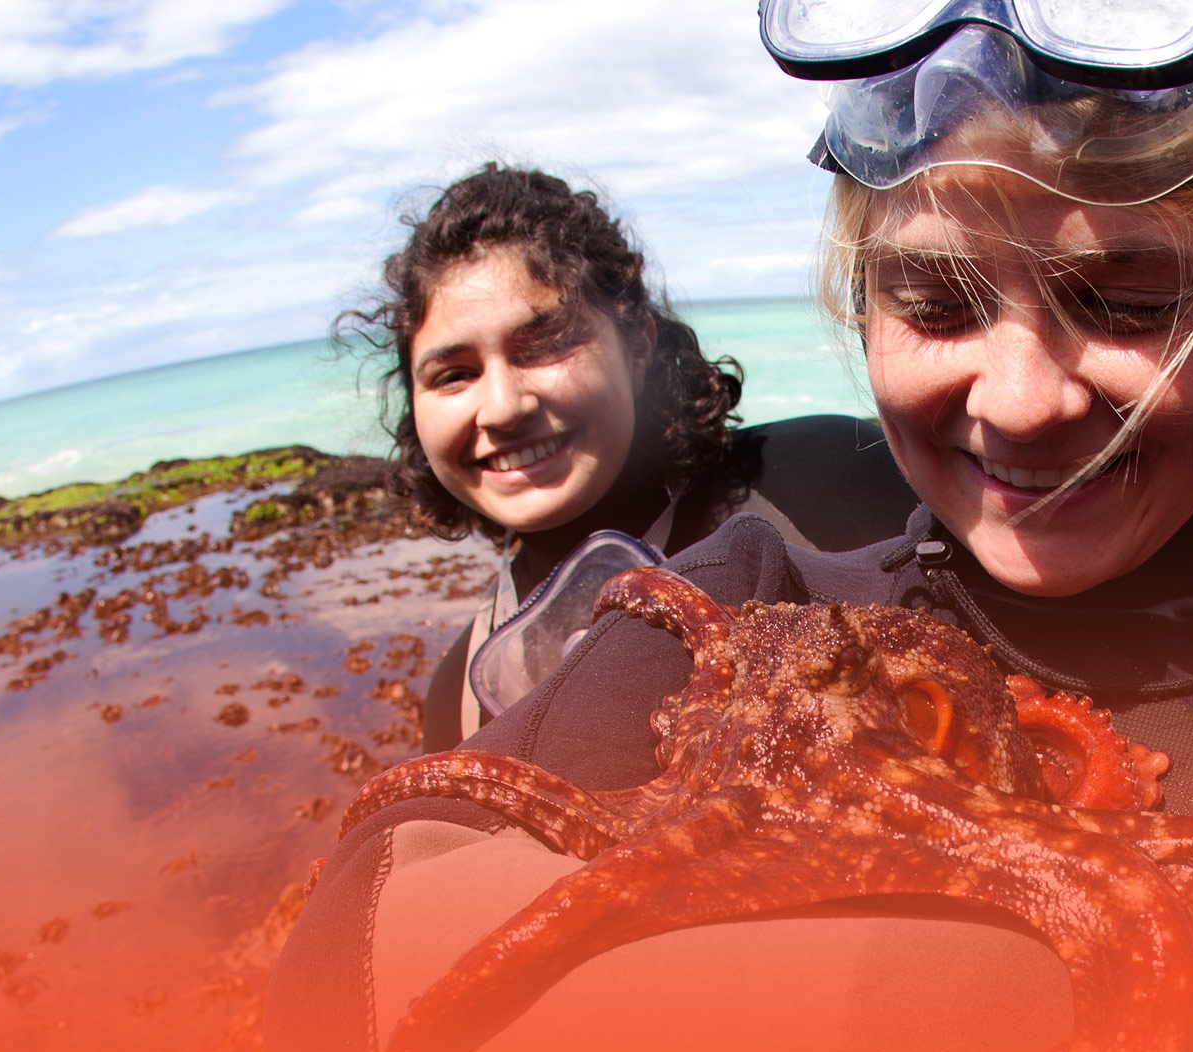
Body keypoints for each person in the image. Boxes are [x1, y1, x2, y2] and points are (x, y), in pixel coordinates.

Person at [269, 3, 1193, 1052]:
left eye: (1129, 299)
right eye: (933, 301)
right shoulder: (749, 621)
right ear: (860, 300)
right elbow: (338, 992)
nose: (1025, 398)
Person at [338, 164, 919, 751]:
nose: (502, 408)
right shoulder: (459, 704)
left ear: (638, 344)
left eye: (544, 345)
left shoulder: (830, 479)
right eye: (453, 375)